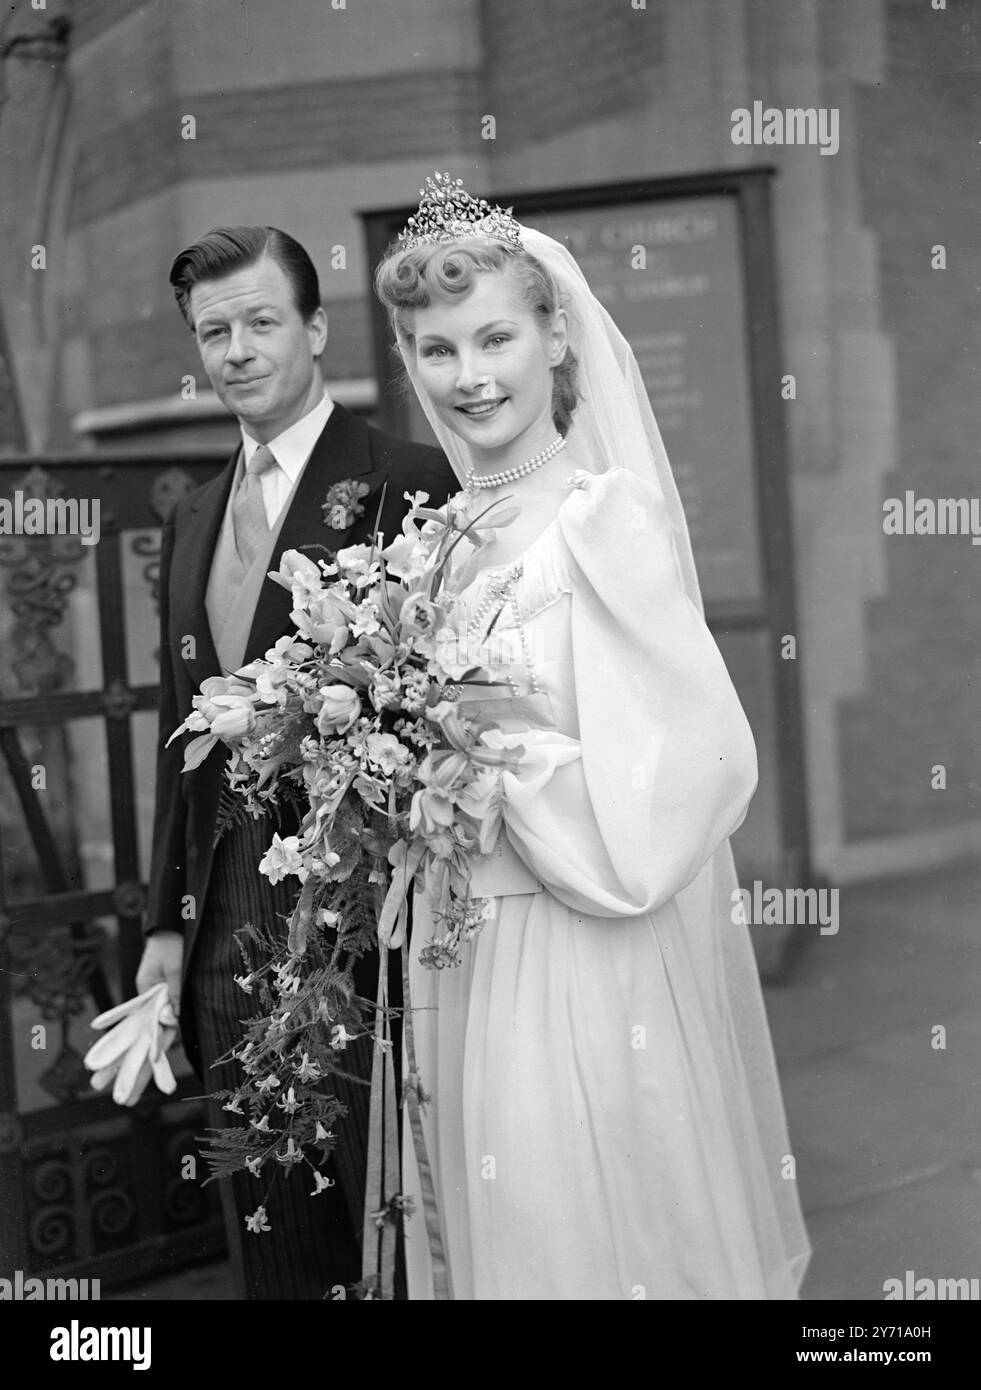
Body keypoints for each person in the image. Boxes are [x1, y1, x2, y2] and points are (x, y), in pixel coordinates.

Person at [374, 174, 811, 1299]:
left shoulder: (602, 523)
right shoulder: (429, 544)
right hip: (458, 952)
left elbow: (694, 768)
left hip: (579, 950)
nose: (468, 376)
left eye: (495, 337)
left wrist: (478, 763)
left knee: (578, 1226)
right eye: (435, 349)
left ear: (556, 333)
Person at [136, 224, 456, 1299]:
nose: (237, 349)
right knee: (268, 1219)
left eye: (261, 321)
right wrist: (162, 927)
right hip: (228, 917)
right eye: (213, 330)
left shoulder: (409, 481)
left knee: (385, 1208)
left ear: (315, 329)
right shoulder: (187, 517)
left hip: (365, 928)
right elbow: (181, 737)